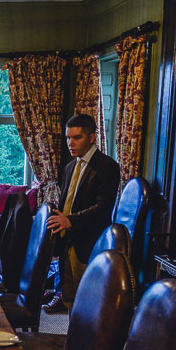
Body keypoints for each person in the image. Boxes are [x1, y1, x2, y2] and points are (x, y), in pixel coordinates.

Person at [43, 113, 120, 313]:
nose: (71, 143)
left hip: (90, 244)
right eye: (68, 138)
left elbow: (104, 209)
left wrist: (71, 221)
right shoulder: (69, 167)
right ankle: (71, 341)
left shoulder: (107, 166)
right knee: (70, 300)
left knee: (88, 305)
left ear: (92, 137)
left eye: (77, 137)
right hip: (67, 242)